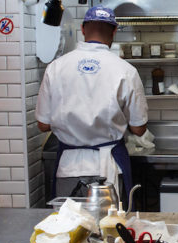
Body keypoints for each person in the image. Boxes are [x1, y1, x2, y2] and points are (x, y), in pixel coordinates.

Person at [36, 6, 148, 201]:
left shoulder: (56, 67)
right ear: (114, 31)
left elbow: (43, 124)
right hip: (108, 169)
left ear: (83, 29)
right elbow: (138, 129)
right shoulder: (126, 70)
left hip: (68, 167)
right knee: (109, 227)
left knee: (69, 226)